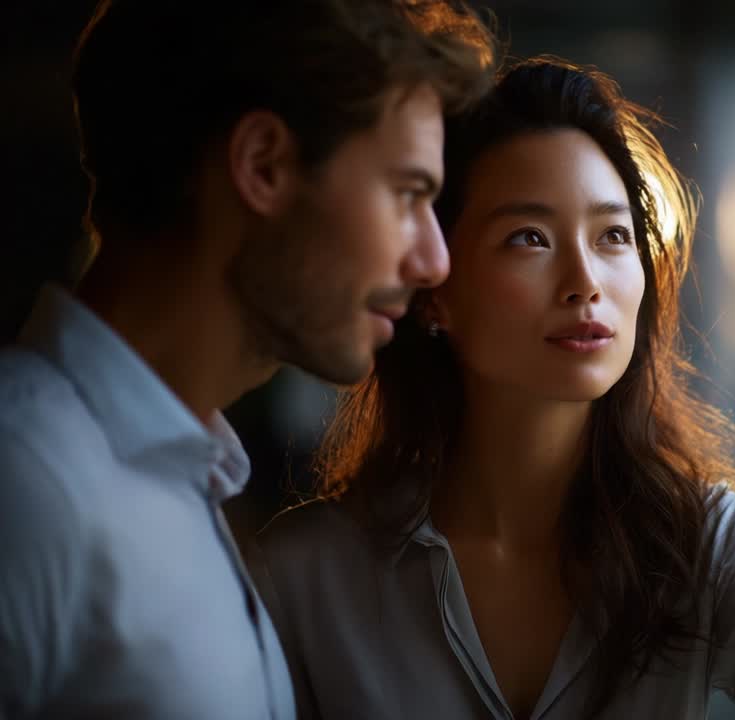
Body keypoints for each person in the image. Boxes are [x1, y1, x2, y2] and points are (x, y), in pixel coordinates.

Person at [249, 58, 735, 719]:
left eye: (612, 236)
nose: (585, 282)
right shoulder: (307, 575)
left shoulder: (704, 544)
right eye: (529, 237)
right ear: (436, 291)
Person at [0, 1, 493, 717]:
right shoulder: (26, 478)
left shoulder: (180, 474)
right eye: (407, 194)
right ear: (263, 165)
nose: (434, 261)